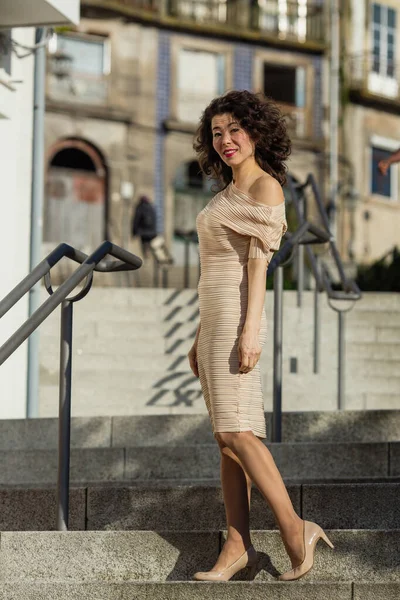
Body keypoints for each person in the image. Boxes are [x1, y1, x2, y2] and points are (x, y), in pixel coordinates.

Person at [188, 90, 334, 583]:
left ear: (255, 131)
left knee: (237, 432)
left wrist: (250, 330)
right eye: (217, 133)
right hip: (214, 323)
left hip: (237, 320)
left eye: (235, 129)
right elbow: (213, 270)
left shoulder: (265, 187)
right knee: (226, 441)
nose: (226, 140)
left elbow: (257, 267)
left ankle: (295, 529)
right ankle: (237, 546)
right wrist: (198, 334)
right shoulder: (224, 194)